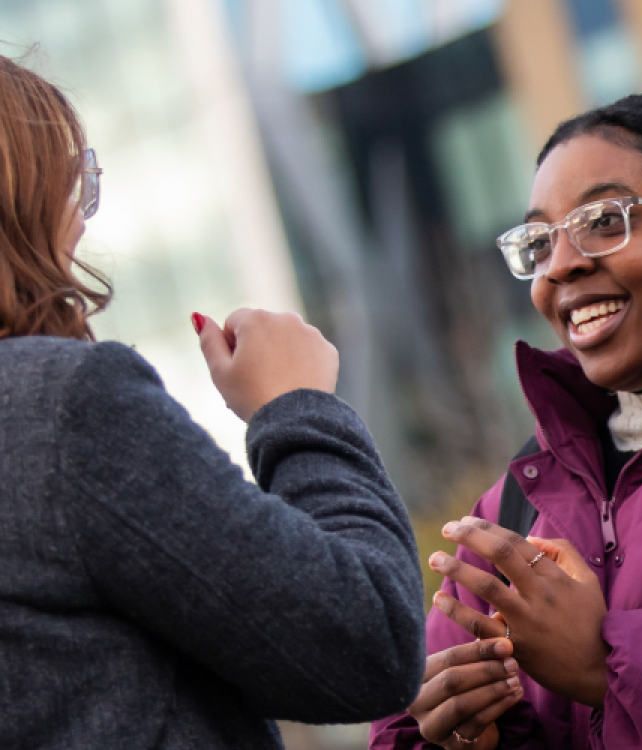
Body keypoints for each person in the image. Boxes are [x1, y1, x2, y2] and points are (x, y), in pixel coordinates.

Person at [0, 53, 426, 748]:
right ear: (29, 204)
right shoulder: (61, 409)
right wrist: (295, 408)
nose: (80, 225)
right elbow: (368, 642)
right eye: (74, 186)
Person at [370, 89, 642, 750]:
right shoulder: (515, 504)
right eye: (541, 242)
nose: (563, 265)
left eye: (606, 219)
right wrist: (464, 732)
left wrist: (609, 663)